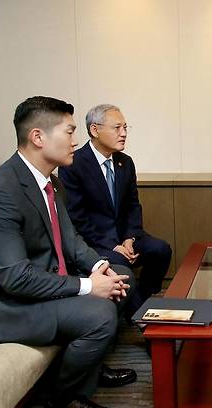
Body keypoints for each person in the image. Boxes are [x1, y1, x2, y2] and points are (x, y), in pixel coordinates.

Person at [0, 96, 139, 408]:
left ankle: (88, 366)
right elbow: (16, 279)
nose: (76, 141)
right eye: (69, 131)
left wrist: (99, 269)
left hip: (32, 288)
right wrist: (88, 286)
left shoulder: (48, 181)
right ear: (38, 137)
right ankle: (62, 403)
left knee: (121, 275)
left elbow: (72, 241)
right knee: (98, 313)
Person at [59, 104, 172, 315]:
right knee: (120, 262)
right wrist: (113, 245)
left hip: (124, 236)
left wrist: (129, 238)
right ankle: (139, 316)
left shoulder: (125, 162)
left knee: (160, 250)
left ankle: (142, 301)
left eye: (126, 128)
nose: (124, 134)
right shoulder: (74, 164)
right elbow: (77, 218)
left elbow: (132, 205)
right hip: (94, 241)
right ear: (95, 130)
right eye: (117, 128)